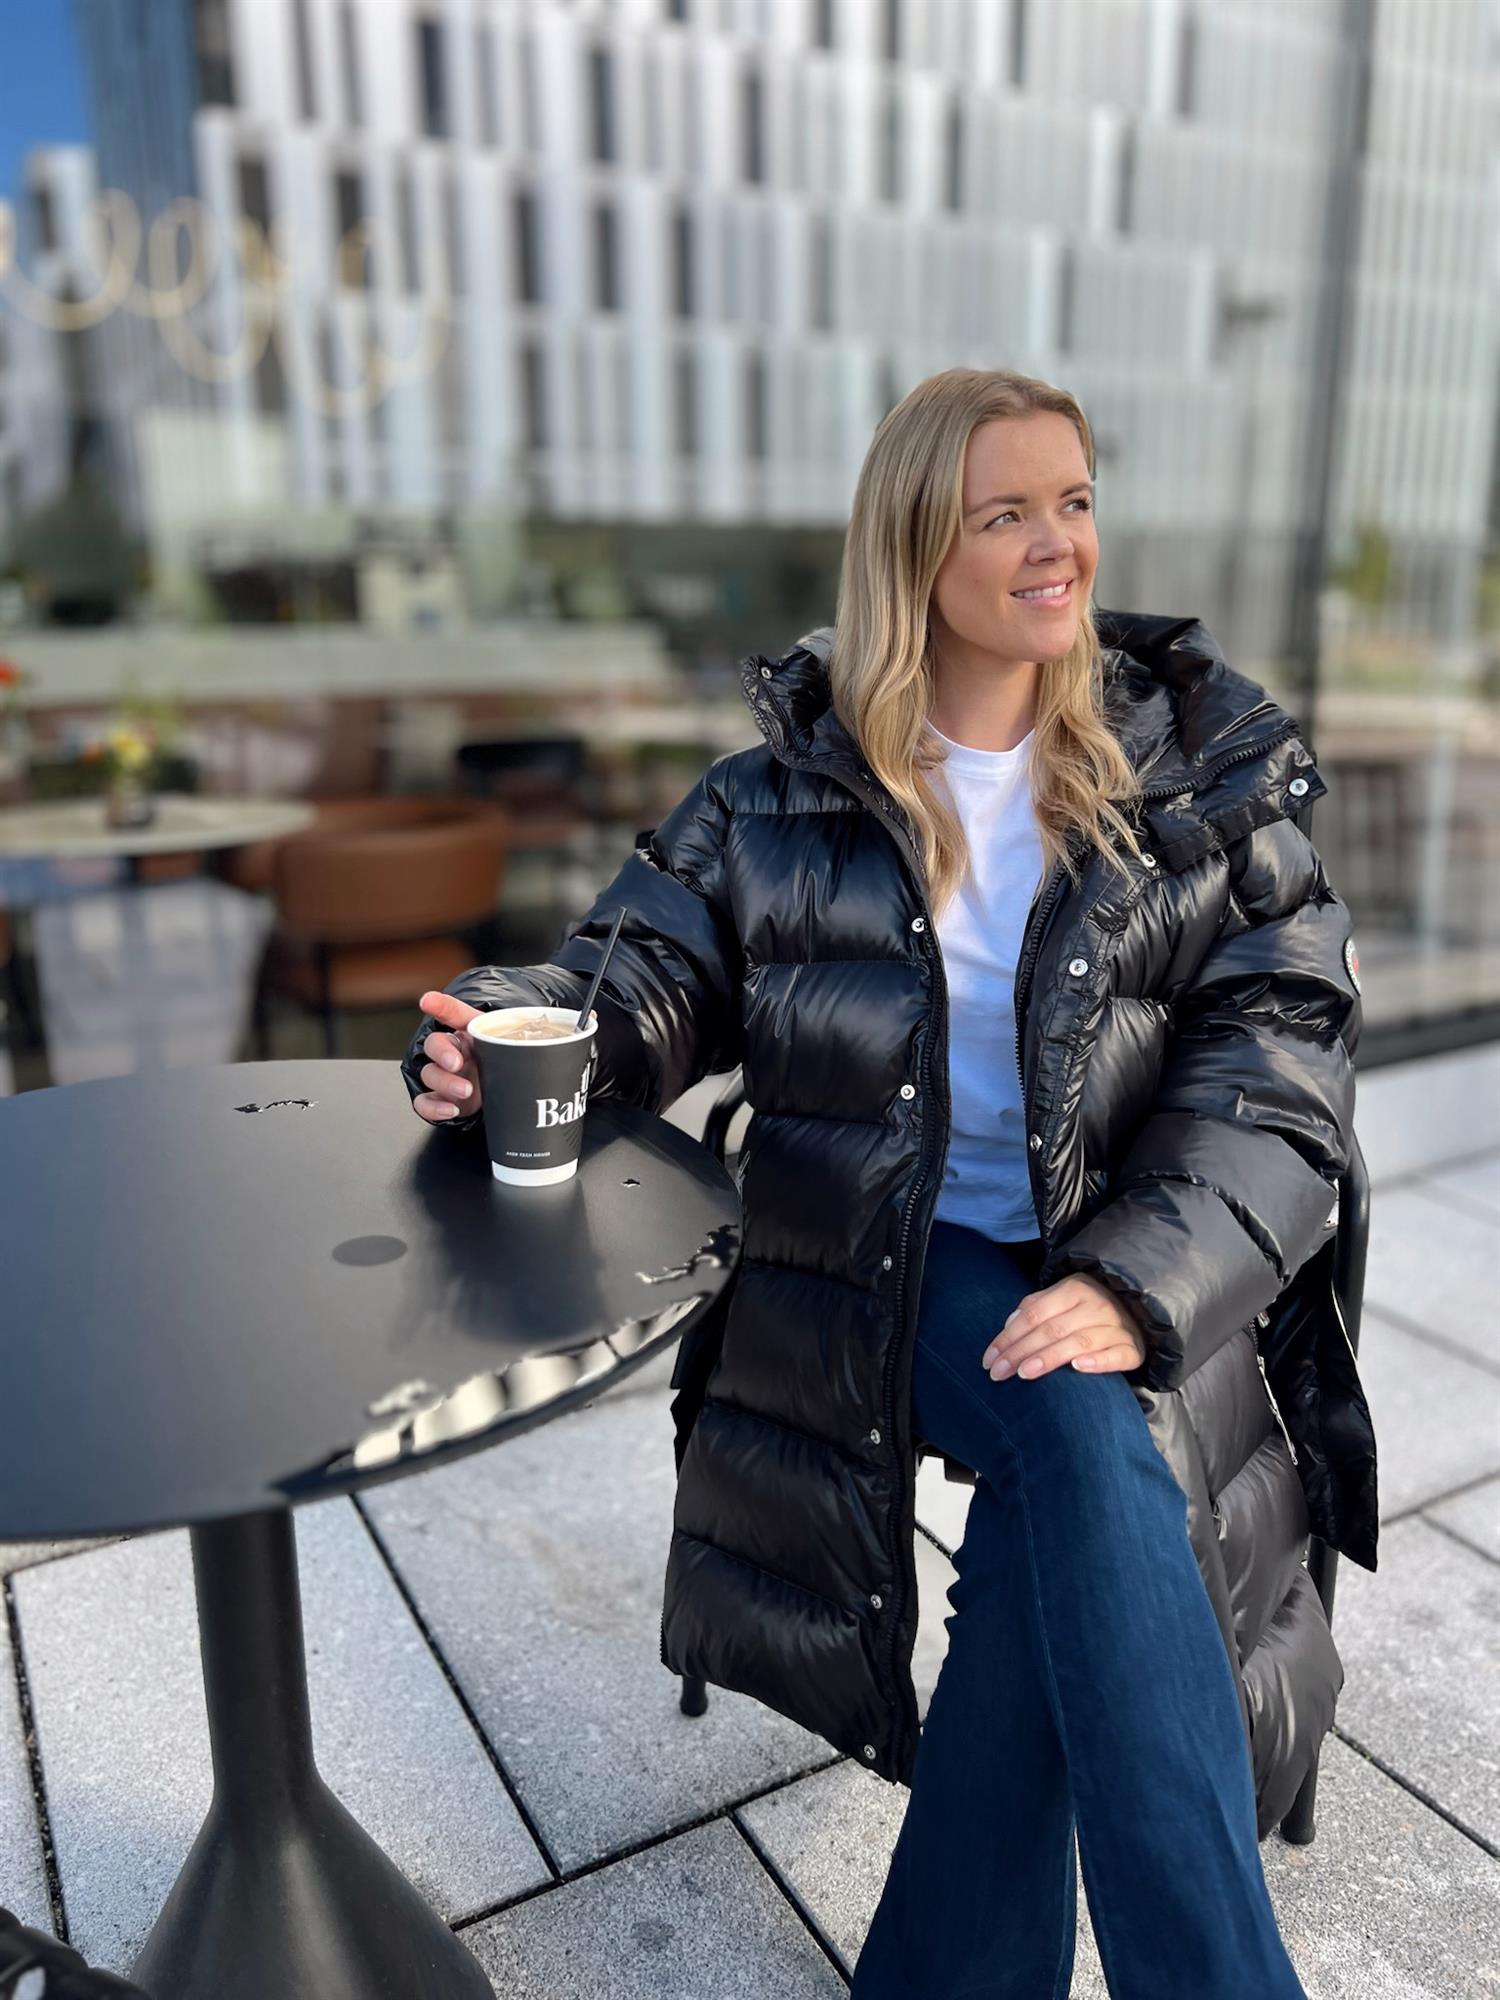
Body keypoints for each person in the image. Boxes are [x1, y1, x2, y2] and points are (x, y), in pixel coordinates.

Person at [401, 366, 1375, 1999]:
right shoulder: (781, 795)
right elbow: (639, 974)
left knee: (1065, 1493)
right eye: (1007, 514)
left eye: (1074, 502)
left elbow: (1280, 1065)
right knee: (1083, 1432)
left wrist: (1134, 1280)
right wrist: (523, 1029)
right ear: (915, 548)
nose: (1059, 544)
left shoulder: (1196, 774)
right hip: (887, 1260)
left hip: (1128, 1253)